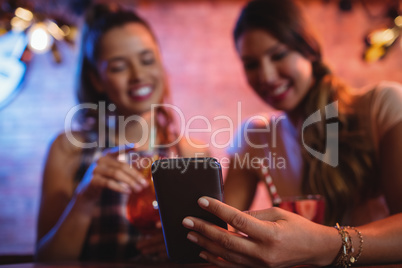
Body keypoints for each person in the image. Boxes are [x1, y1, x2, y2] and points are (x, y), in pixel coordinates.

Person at [183, 0, 402, 266]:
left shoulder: (382, 105)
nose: (267, 75)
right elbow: (223, 226)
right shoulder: (256, 135)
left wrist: (324, 244)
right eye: (251, 64)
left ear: (309, 50)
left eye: (278, 55)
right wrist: (188, 234)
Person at [35, 3, 207, 262]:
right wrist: (86, 197)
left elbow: (211, 256)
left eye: (147, 60)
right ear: (96, 79)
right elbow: (47, 260)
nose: (138, 75)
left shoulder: (194, 153)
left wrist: (188, 247)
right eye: (118, 67)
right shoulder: (68, 149)